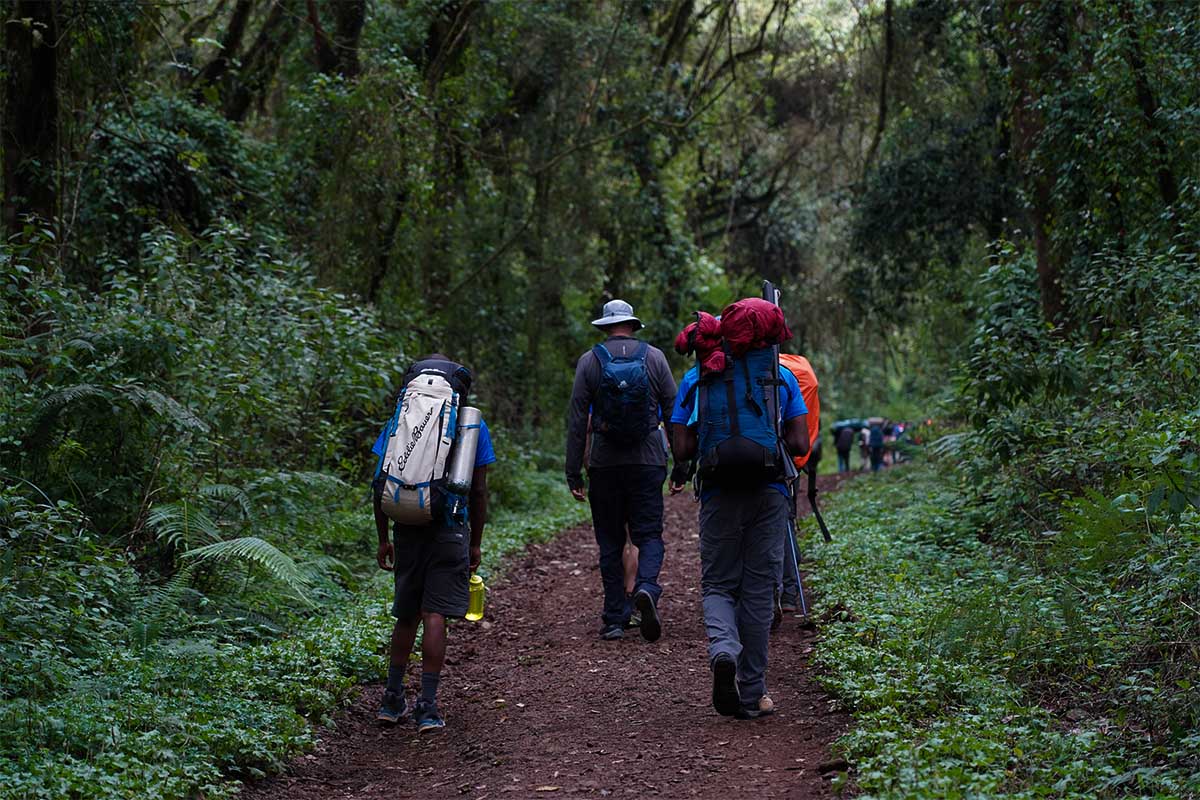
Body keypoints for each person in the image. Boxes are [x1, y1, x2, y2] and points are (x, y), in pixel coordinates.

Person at [671, 341, 809, 719]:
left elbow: (681, 448)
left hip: (719, 492)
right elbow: (800, 442)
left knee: (718, 584)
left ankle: (723, 650)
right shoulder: (779, 374)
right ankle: (752, 692)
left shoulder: (697, 377)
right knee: (760, 589)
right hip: (769, 492)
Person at [371, 355, 497, 732]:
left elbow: (381, 480)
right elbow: (478, 490)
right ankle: (427, 706)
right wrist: (475, 543)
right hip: (449, 527)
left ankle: (392, 699)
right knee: (435, 614)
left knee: (406, 613)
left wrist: (383, 538)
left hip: (406, 524)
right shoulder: (471, 423)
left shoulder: (402, 417)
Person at [565, 300, 678, 642]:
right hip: (648, 460)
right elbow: (673, 411)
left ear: (605, 327)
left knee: (611, 541)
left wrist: (574, 471)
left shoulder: (590, 361)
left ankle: (615, 617)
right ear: (632, 324)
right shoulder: (655, 357)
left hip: (605, 463)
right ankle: (645, 587)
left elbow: (576, 420)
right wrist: (683, 466)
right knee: (649, 534)